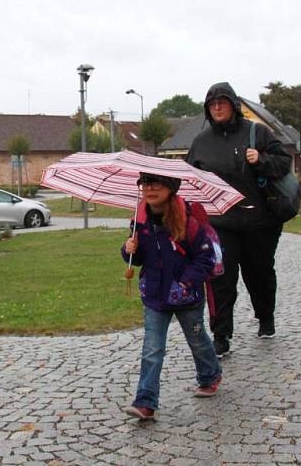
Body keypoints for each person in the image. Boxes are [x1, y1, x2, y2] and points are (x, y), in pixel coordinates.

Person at [186, 82, 292, 358]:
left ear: (234, 105)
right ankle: (221, 336)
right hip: (220, 223)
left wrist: (261, 159)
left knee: (259, 273)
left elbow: (284, 163)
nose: (218, 107)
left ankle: (265, 318)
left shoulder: (257, 132)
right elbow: (188, 180)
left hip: (260, 220)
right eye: (212, 104)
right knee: (221, 278)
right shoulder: (200, 143)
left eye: (223, 102)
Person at [121, 172, 222, 420]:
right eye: (145, 184)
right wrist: (128, 250)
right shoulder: (140, 219)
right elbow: (139, 258)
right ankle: (145, 402)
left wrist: (185, 283)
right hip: (155, 296)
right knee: (152, 349)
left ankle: (210, 375)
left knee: (197, 341)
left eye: (156, 184)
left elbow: (205, 258)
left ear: (170, 188)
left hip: (187, 297)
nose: (149, 189)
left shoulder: (188, 221)